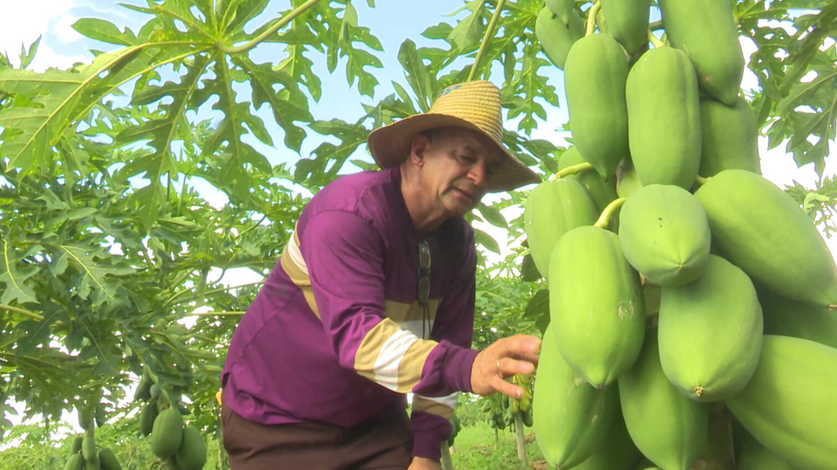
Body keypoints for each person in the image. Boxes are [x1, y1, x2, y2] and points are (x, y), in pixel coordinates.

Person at [219, 80, 544, 470]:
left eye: (488, 168)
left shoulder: (458, 246)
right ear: (420, 151)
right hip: (275, 422)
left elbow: (448, 340)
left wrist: (425, 450)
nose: (478, 177)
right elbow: (360, 340)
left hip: (374, 424)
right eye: (465, 157)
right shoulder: (347, 215)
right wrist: (467, 367)